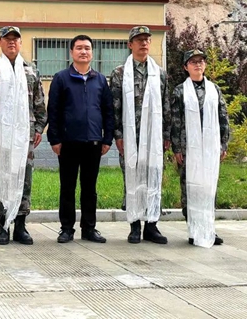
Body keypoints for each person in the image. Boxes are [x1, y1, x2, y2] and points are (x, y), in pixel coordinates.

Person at [0, 26, 47, 245]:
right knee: (1, 178)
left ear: (20, 42)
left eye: (15, 39)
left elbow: (39, 104)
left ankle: (21, 227)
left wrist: (38, 129)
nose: (11, 42)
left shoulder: (31, 70)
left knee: (24, 178)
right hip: (0, 135)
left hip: (25, 135)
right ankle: (3, 227)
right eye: (7, 39)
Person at [47, 35, 114, 244]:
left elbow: (108, 111)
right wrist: (54, 139)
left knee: (89, 188)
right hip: (68, 142)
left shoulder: (100, 80)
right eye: (79, 48)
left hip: (93, 142)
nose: (83, 51)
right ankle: (66, 228)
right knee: (67, 187)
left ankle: (89, 228)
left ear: (92, 52)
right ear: (71, 52)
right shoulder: (61, 78)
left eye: (87, 48)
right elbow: (53, 110)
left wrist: (107, 139)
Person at [110, 26, 171, 244]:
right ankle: (134, 226)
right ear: (130, 44)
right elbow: (115, 107)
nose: (143, 43)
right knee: (132, 179)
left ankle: (151, 226)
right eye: (139, 40)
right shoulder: (119, 73)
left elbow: (166, 106)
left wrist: (166, 135)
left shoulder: (160, 73)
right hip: (130, 137)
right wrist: (118, 135)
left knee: (153, 177)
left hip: (153, 137)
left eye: (146, 40)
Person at [170, 49, 229, 247]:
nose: (197, 65)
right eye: (193, 62)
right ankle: (194, 229)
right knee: (190, 188)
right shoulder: (180, 91)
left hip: (210, 147)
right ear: (185, 67)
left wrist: (223, 143)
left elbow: (223, 117)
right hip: (189, 148)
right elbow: (175, 121)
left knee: (208, 188)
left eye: (201, 61)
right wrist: (177, 148)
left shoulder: (214, 90)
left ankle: (209, 228)